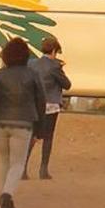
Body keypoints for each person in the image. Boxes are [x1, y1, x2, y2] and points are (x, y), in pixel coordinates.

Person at [0, 37, 46, 208]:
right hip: (24, 124)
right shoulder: (32, 75)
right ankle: (6, 195)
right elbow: (41, 103)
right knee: (17, 164)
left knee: (5, 162)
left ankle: (3, 198)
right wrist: (40, 131)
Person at [21, 36, 69, 180]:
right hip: (51, 104)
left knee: (32, 136)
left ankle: (22, 169)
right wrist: (60, 69)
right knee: (48, 137)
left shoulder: (31, 63)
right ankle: (43, 170)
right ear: (54, 50)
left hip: (33, 104)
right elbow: (67, 84)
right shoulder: (55, 66)